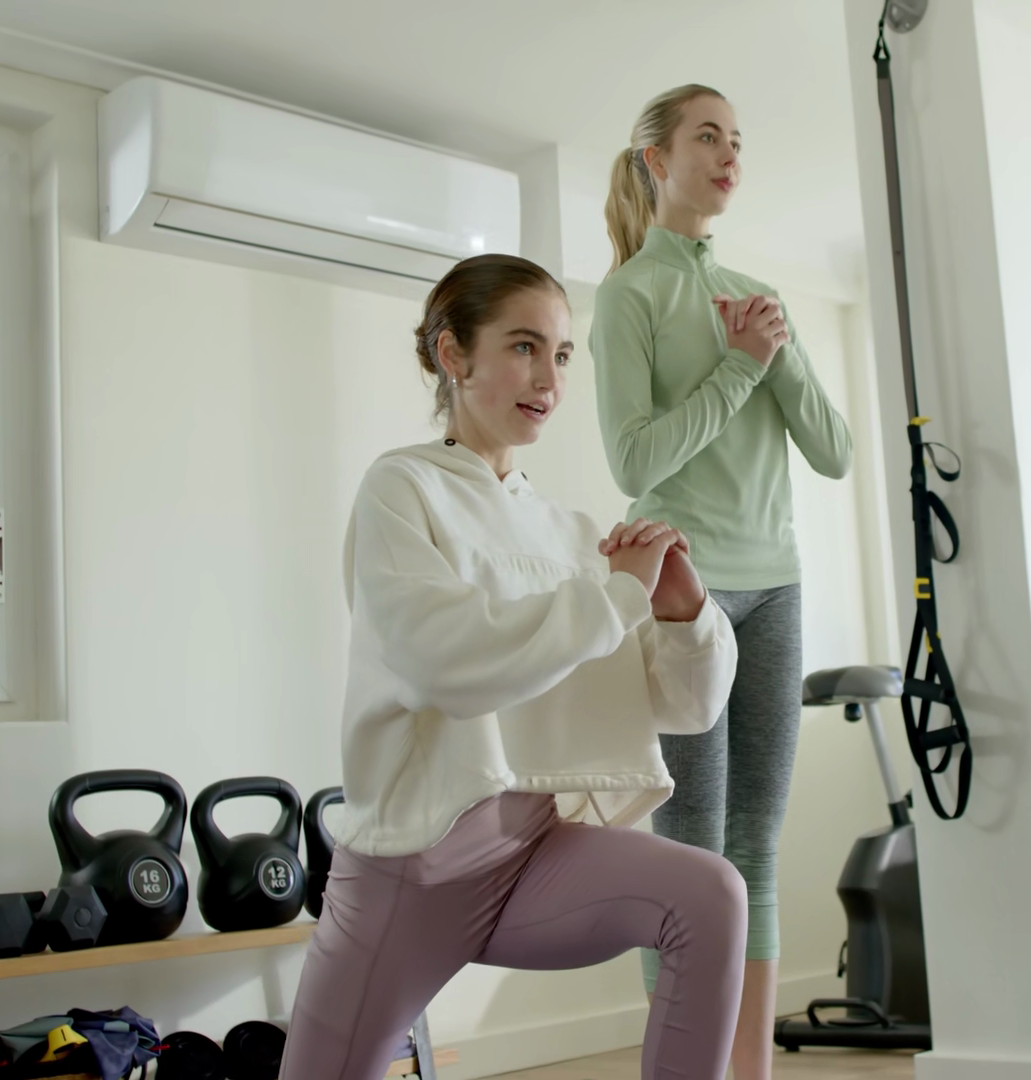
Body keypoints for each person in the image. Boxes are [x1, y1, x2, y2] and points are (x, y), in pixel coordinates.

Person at [282, 254, 747, 1080]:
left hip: (533, 851)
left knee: (710, 894)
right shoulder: (403, 487)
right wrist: (616, 597)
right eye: (524, 346)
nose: (549, 379)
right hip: (412, 869)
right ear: (453, 354)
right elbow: (447, 664)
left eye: (562, 354)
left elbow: (687, 706)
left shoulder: (572, 532)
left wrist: (682, 610)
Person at [593, 85, 854, 1079]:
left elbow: (834, 451)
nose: (729, 153)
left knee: (758, 842)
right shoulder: (630, 295)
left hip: (776, 586)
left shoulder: (756, 295)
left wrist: (774, 355)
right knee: (692, 846)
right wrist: (741, 365)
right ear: (657, 160)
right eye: (707, 136)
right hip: (686, 594)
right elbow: (635, 460)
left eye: (737, 139)